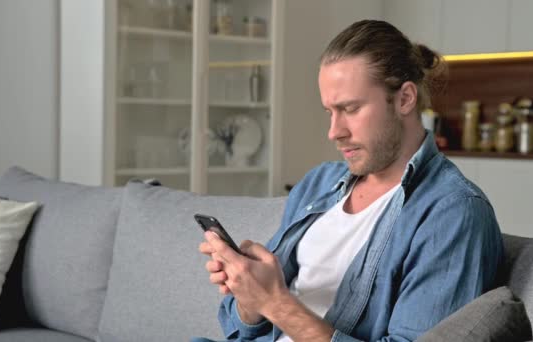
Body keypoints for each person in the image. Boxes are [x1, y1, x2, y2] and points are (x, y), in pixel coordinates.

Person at [199, 20, 503, 342]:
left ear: (404, 99)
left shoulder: (452, 213)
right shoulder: (319, 184)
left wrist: (275, 303)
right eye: (330, 112)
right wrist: (251, 298)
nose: (335, 131)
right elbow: (239, 330)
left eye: (351, 109)